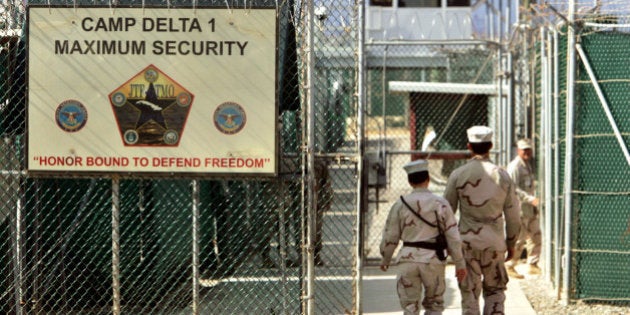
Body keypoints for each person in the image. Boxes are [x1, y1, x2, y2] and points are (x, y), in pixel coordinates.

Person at [443, 126, 521, 315]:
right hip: (494, 244)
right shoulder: (502, 175)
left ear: (469, 146)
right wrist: (511, 242)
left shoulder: (458, 175)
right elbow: (513, 215)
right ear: (491, 146)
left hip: (466, 245)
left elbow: (446, 213)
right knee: (495, 292)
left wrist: (447, 244)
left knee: (469, 294)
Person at [380, 159, 467, 315]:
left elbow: (391, 235)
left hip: (407, 259)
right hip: (433, 260)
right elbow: (453, 236)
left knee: (410, 307)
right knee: (434, 304)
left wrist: (386, 258)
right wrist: (459, 263)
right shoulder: (441, 203)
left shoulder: (400, 204)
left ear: (409, 181)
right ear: (428, 179)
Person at [505, 138, 541, 278]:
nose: (527, 152)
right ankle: (509, 265)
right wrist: (530, 199)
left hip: (529, 208)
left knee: (536, 234)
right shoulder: (515, 167)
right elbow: (513, 188)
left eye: (529, 149)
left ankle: (532, 264)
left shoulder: (527, 164)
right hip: (519, 207)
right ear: (518, 150)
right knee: (519, 239)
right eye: (524, 150)